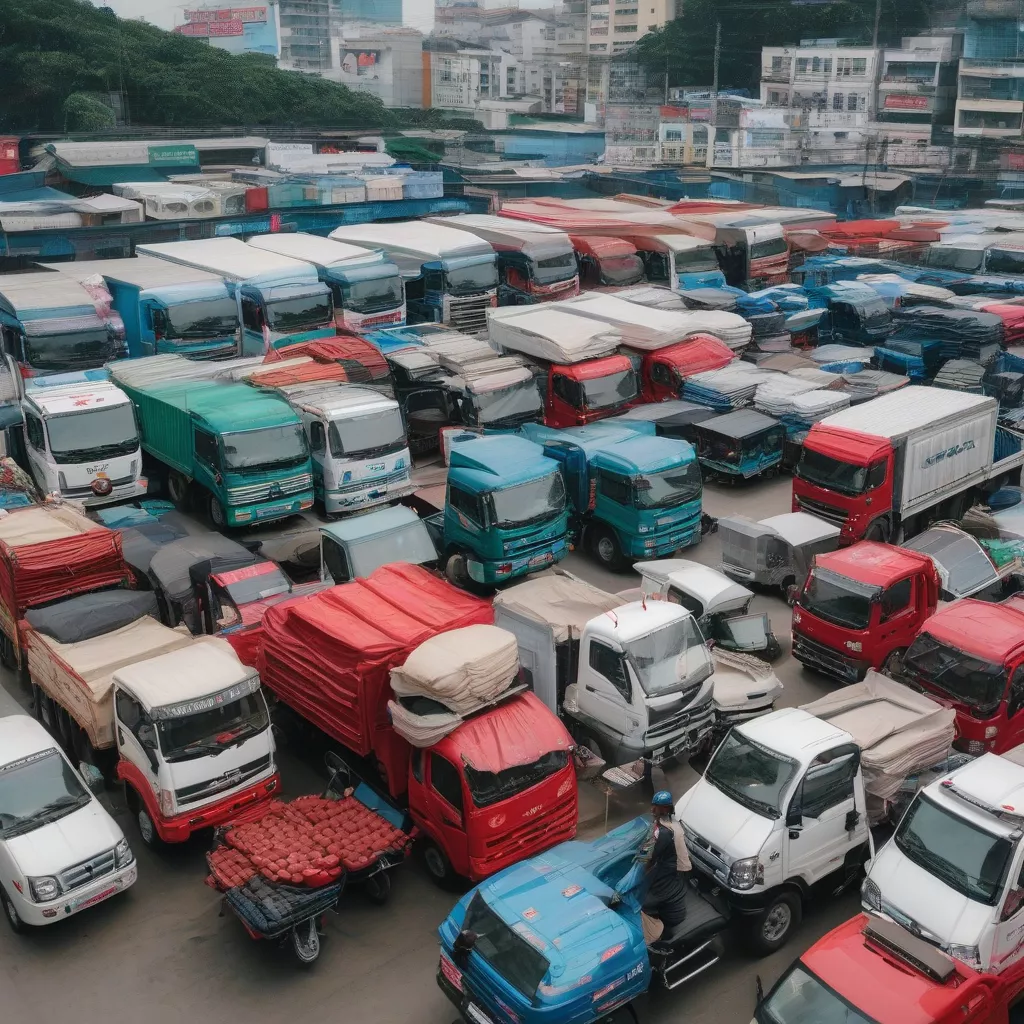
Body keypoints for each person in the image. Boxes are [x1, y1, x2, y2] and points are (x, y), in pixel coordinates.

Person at [640, 790, 692, 944]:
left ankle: (655, 935)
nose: (651, 810)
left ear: (663, 809)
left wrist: (642, 867)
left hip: (674, 872)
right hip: (670, 868)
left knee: (642, 902)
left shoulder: (665, 832)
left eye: (655, 807)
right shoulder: (668, 824)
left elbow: (646, 857)